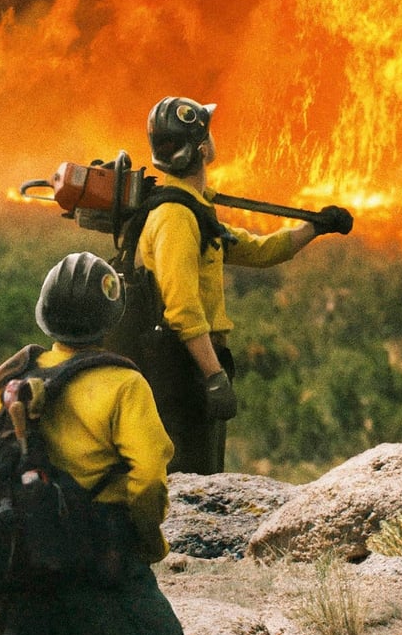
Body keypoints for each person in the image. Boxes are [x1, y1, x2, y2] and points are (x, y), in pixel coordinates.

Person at [0, 252, 199, 635]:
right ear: (111, 318)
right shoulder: (124, 385)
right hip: (102, 567)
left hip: (27, 575)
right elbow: (149, 479)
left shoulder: (12, 384)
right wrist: (147, 541)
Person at [125, 96, 350, 474]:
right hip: (181, 370)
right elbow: (182, 308)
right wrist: (213, 376)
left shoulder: (195, 210)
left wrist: (315, 228)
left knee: (203, 470)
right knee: (189, 476)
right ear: (200, 149)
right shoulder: (176, 218)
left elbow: (258, 250)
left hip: (190, 365)